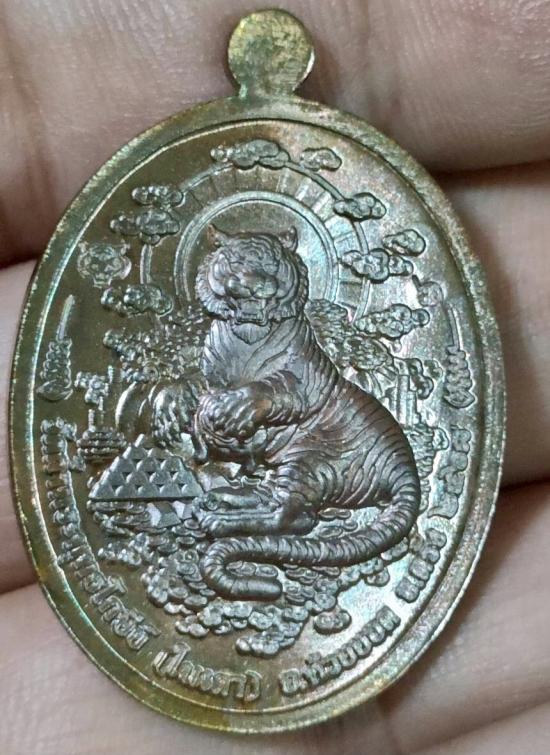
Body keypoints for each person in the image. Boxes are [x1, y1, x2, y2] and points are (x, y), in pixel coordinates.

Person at [1, 1, 549, 753]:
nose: (236, 294)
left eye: (254, 283)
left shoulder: (291, 344)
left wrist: (257, 399)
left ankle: (272, 521)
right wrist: (189, 405)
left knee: (302, 459)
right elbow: (214, 398)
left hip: (355, 456)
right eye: (225, 282)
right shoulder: (220, 337)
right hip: (289, 454)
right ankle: (261, 513)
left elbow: (297, 394)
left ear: (288, 286)